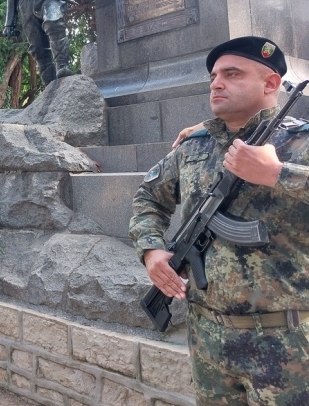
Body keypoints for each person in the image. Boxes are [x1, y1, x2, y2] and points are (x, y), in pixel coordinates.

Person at [129, 36, 309, 406]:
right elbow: (148, 198)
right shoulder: (194, 146)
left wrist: (277, 173)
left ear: (271, 83)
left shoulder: (301, 143)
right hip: (209, 339)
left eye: (232, 73)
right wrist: (151, 251)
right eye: (213, 76)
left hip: (289, 343)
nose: (216, 83)